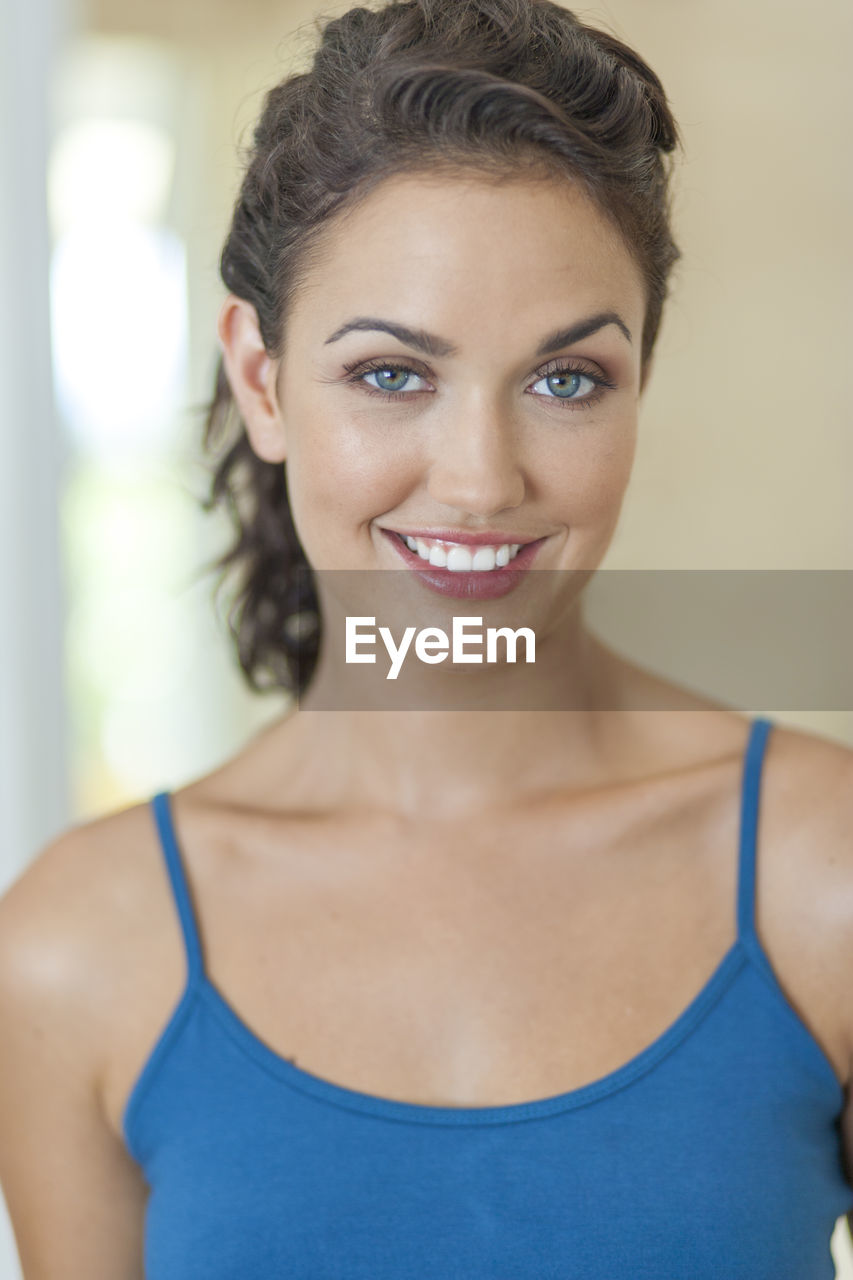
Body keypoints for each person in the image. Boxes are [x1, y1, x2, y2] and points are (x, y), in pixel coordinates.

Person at [1, 0, 851, 1275]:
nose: (478, 481)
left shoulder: (820, 875)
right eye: (392, 372)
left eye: (566, 379)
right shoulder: (78, 944)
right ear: (262, 377)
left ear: (638, 384)